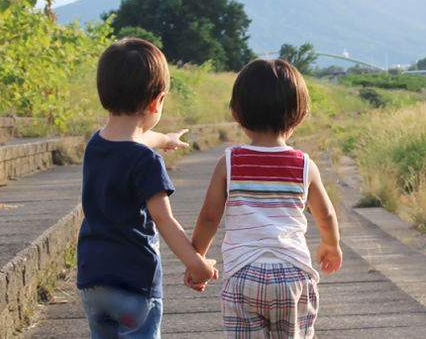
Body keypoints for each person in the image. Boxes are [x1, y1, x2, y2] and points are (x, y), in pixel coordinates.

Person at [184, 59, 343, 338]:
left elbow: (210, 216)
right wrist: (331, 245)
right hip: (293, 275)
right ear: (301, 116)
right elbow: (326, 214)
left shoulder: (229, 162)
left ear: (235, 113)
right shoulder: (304, 165)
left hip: (244, 275)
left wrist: (196, 257)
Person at [77, 37, 218, 339]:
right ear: (156, 101)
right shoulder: (146, 161)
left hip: (93, 280)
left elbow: (137, 138)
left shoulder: (95, 143)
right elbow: (164, 221)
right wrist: (198, 265)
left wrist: (165, 138)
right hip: (134, 283)